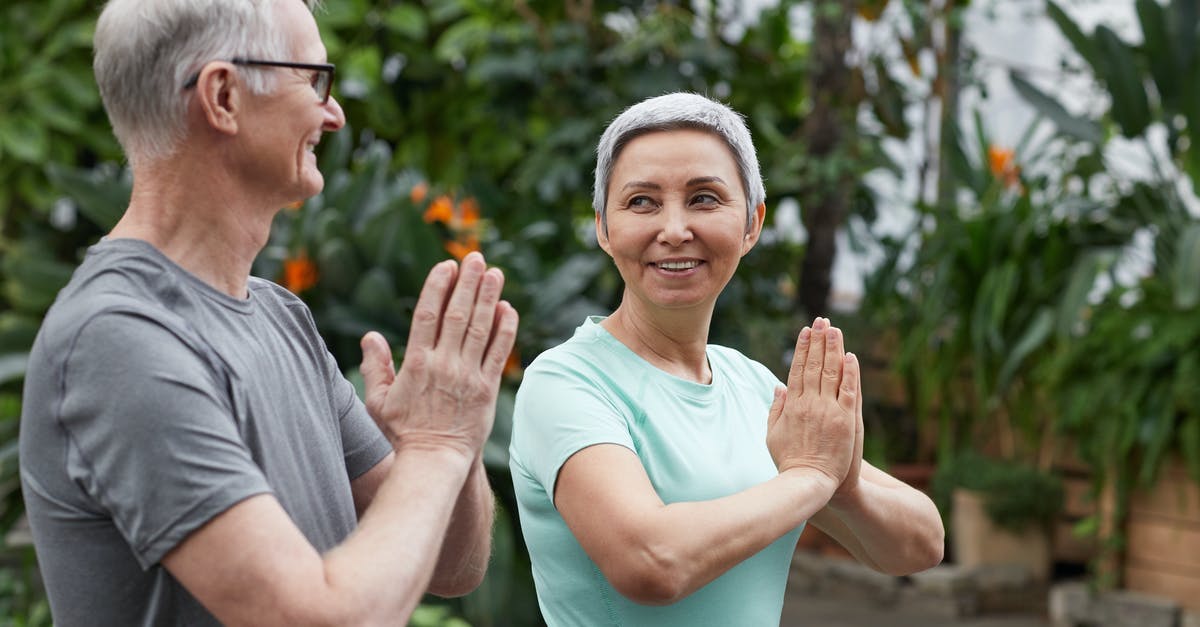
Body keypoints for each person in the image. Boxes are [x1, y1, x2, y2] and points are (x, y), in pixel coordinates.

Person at [18, 1, 519, 625]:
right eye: (313, 80)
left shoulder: (282, 316)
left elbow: (451, 564)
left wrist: (451, 440)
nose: (332, 113)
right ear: (223, 96)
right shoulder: (115, 340)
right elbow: (316, 618)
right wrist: (439, 445)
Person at [509, 92, 944, 626]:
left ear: (752, 225)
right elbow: (651, 562)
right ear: (603, 227)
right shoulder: (566, 384)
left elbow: (921, 543)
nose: (673, 230)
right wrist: (809, 478)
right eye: (642, 201)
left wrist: (843, 483)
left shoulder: (751, 386)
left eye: (704, 198)